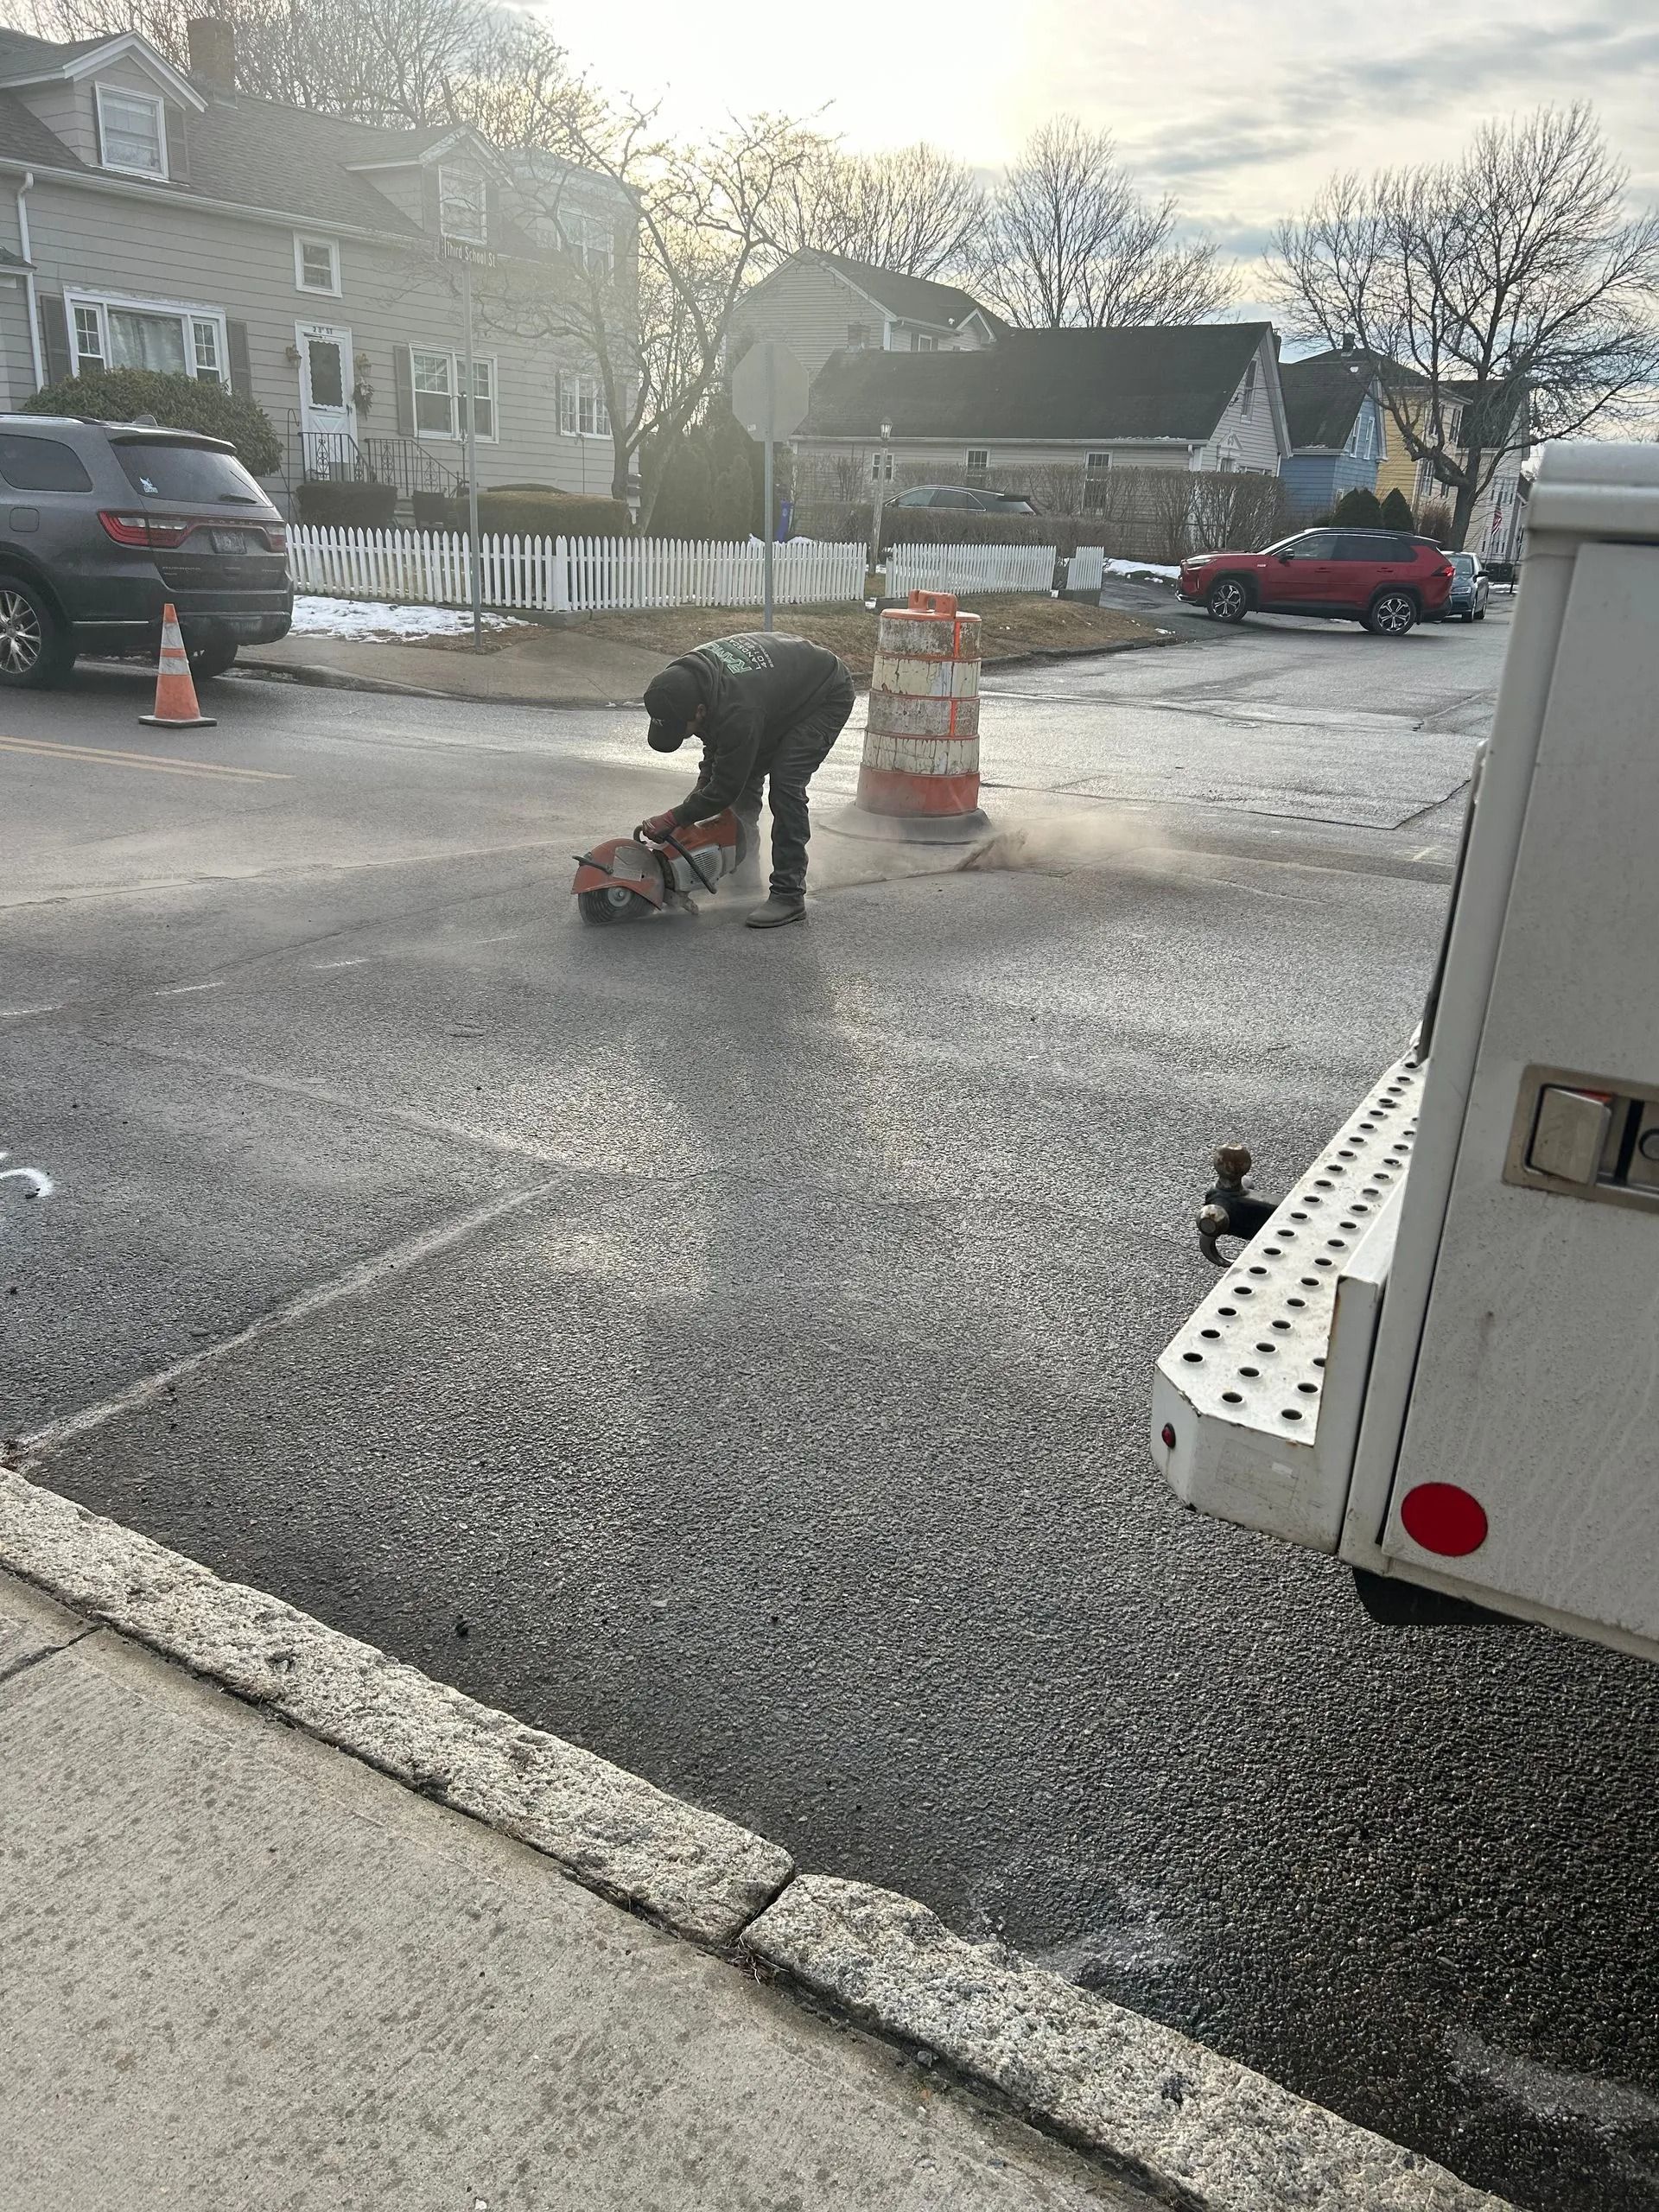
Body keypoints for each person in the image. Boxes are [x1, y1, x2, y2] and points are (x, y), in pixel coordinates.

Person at [634, 632, 856, 929]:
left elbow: (725, 785)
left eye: (681, 728)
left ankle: (789, 895)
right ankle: (747, 872)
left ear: (700, 711)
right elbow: (718, 754)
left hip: (825, 694)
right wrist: (689, 813)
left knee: (786, 785)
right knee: (745, 774)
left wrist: (677, 815)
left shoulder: (737, 709)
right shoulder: (685, 682)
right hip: (776, 693)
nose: (682, 735)